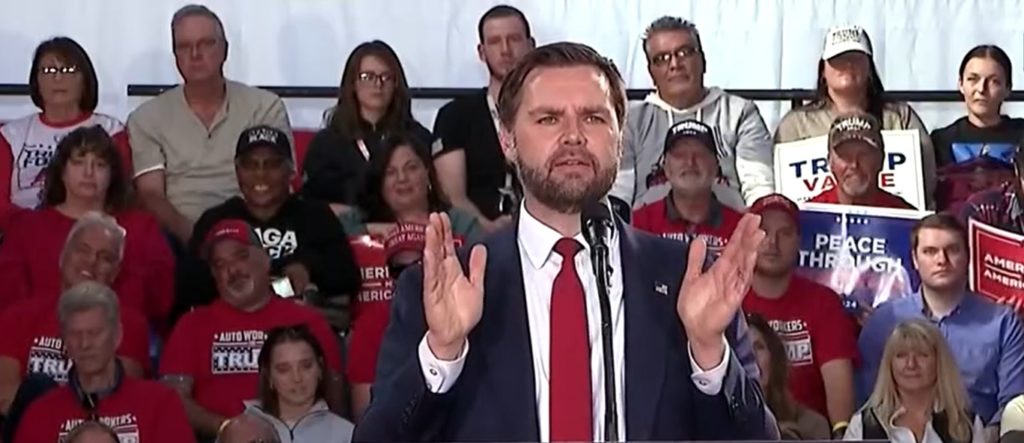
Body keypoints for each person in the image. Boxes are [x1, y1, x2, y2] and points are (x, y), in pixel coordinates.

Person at [354, 41, 774, 442]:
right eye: (549, 119)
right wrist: (442, 353)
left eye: (593, 118)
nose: (574, 136)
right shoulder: (444, 287)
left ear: (619, 137)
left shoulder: (687, 278)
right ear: (507, 140)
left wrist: (708, 354)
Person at [340, 133, 482, 418]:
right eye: (391, 172)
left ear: (428, 173)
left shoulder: (460, 222)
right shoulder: (353, 223)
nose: (402, 179)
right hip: (374, 327)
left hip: (450, 324)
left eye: (411, 167)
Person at [160, 219, 343, 441]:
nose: (232, 270)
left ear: (265, 260)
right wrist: (225, 427)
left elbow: (334, 395)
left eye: (241, 256)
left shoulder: (307, 320)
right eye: (220, 264)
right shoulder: (192, 325)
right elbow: (173, 397)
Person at [128, 4, 291, 245]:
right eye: (184, 46)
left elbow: (278, 181)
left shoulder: (264, 106)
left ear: (225, 50)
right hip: (181, 236)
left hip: (256, 231)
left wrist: (238, 241)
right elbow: (151, 195)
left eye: (206, 43)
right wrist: (198, 241)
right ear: (175, 56)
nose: (195, 54)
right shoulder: (146, 118)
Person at [178, 125, 361, 323]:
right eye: (250, 164)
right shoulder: (216, 219)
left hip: (297, 328)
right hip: (231, 328)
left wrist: (308, 266)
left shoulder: (315, 215)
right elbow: (190, 287)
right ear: (237, 171)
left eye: (272, 164)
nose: (261, 174)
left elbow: (347, 278)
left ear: (290, 170)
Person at [858, 213, 1024, 428]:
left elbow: (1014, 407)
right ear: (915, 260)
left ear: (968, 257)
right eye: (930, 251)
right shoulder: (884, 321)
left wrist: (987, 436)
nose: (942, 260)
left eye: (952, 250)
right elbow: (867, 400)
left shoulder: (1003, 323)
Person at [0, 126, 174, 325]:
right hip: (37, 332)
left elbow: (161, 300)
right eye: (78, 162)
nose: (89, 172)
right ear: (62, 171)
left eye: (100, 165)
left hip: (119, 329)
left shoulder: (142, 228)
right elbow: (8, 300)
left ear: (112, 175)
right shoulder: (28, 227)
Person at [611, 16, 774, 215]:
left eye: (684, 53)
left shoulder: (739, 113)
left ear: (703, 61)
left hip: (728, 231)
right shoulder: (631, 121)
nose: (675, 64)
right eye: (661, 58)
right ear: (651, 72)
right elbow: (618, 196)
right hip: (648, 232)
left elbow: (760, 190)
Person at [0, 213, 150, 415]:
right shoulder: (19, 316)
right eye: (83, 250)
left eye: (105, 257)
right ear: (63, 257)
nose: (91, 261)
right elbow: (5, 395)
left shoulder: (128, 324)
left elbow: (120, 400)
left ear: (115, 273)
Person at [11, 282, 195, 443]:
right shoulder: (40, 414)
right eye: (75, 334)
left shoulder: (160, 404)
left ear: (117, 336)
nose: (84, 344)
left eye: (94, 333)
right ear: (64, 341)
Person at [775, 25, 936, 208]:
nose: (848, 65)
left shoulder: (900, 117)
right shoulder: (795, 124)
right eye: (838, 60)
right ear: (823, 71)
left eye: (856, 59)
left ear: (870, 67)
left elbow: (927, 180)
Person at [742, 193, 858, 430]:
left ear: (798, 242)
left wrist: (841, 433)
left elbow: (838, 384)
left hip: (806, 431)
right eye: (763, 231)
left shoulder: (824, 302)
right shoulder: (727, 298)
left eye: (784, 233)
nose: (772, 242)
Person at [0, 37, 132, 232]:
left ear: (85, 79)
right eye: (48, 70)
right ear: (35, 81)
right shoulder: (11, 135)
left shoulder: (110, 130)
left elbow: (120, 195)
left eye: (68, 70)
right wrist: (37, 225)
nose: (58, 78)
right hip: (24, 231)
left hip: (92, 230)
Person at [433, 5, 535, 232]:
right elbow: (452, 196)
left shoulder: (551, 111)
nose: (505, 50)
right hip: (477, 238)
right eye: (495, 42)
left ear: (531, 46)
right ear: (481, 52)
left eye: (514, 39)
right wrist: (488, 229)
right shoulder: (455, 116)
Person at [302, 40, 432, 215]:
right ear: (352, 84)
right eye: (368, 77)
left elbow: (434, 195)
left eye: (386, 77)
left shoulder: (417, 138)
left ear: (396, 84)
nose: (378, 85)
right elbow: (312, 202)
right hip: (346, 228)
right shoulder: (326, 144)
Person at [844, 320, 987, 442]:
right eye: (901, 355)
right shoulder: (863, 426)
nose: (911, 364)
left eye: (922, 355)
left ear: (939, 363)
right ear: (889, 364)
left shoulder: (967, 425)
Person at [631, 119, 743, 257]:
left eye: (700, 154)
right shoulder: (639, 224)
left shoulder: (741, 227)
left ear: (716, 167)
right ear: (665, 167)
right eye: (680, 155)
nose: (690, 162)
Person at [932, 45, 1022, 212]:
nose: (981, 89)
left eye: (994, 81)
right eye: (973, 79)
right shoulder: (940, 140)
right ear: (960, 84)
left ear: (1008, 89)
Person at [242, 324, 354, 442]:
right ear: (269, 376)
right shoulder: (244, 429)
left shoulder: (348, 434)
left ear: (320, 368)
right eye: (284, 369)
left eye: (306, 366)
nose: (297, 378)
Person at [747, 313, 831, 440]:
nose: (751, 356)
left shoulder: (812, 426)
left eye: (758, 347)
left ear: (774, 358)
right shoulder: (716, 426)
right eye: (743, 348)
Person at [807, 112, 916, 209]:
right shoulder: (807, 216)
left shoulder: (906, 217)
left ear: (881, 159)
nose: (854, 164)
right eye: (845, 156)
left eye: (864, 155)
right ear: (830, 162)